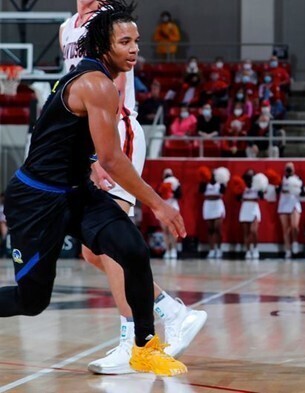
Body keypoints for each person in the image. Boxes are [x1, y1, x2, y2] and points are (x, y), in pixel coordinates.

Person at [1, 0, 186, 376]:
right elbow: (114, 160)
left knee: (132, 249)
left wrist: (86, 165)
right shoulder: (98, 84)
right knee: (31, 300)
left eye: (136, 41)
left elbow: (67, 137)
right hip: (36, 199)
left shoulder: (91, 78)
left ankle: (144, 348)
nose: (135, 49)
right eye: (125, 42)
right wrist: (159, 205)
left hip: (74, 191)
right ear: (103, 46)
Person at [59, 0, 206, 374]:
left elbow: (114, 78)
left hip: (113, 128)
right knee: (94, 252)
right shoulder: (66, 27)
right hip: (86, 133)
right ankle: (172, 312)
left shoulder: (108, 18)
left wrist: (95, 151)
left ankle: (134, 341)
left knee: (112, 243)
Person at [278, 162, 303, 259]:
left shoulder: (298, 178)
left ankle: (295, 242)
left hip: (294, 202)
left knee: (294, 226)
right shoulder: (281, 179)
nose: (289, 170)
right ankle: (287, 250)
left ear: (294, 169)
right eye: (287, 168)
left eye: (291, 168)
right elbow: (278, 190)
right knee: (285, 229)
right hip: (284, 204)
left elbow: (302, 191)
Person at [200, 171, 226, 259]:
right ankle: (211, 249)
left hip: (218, 205)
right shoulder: (205, 184)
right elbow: (201, 191)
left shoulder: (220, 184)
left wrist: (223, 182)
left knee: (217, 228)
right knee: (210, 229)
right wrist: (203, 181)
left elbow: (223, 191)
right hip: (208, 205)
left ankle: (218, 249)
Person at [158, 168, 182, 259]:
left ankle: (174, 250)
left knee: (173, 230)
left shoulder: (176, 184)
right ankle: (167, 250)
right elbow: (158, 195)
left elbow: (180, 195)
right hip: (164, 209)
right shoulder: (161, 184)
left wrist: (171, 193)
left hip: (173, 208)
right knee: (165, 231)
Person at [239, 169, 263, 260]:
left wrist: (261, 190)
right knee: (246, 232)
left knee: (254, 231)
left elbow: (262, 197)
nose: (250, 176)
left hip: (254, 207)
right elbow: (237, 198)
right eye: (248, 174)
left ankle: (256, 249)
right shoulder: (242, 186)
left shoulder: (257, 186)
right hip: (245, 207)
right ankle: (248, 250)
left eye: (251, 174)